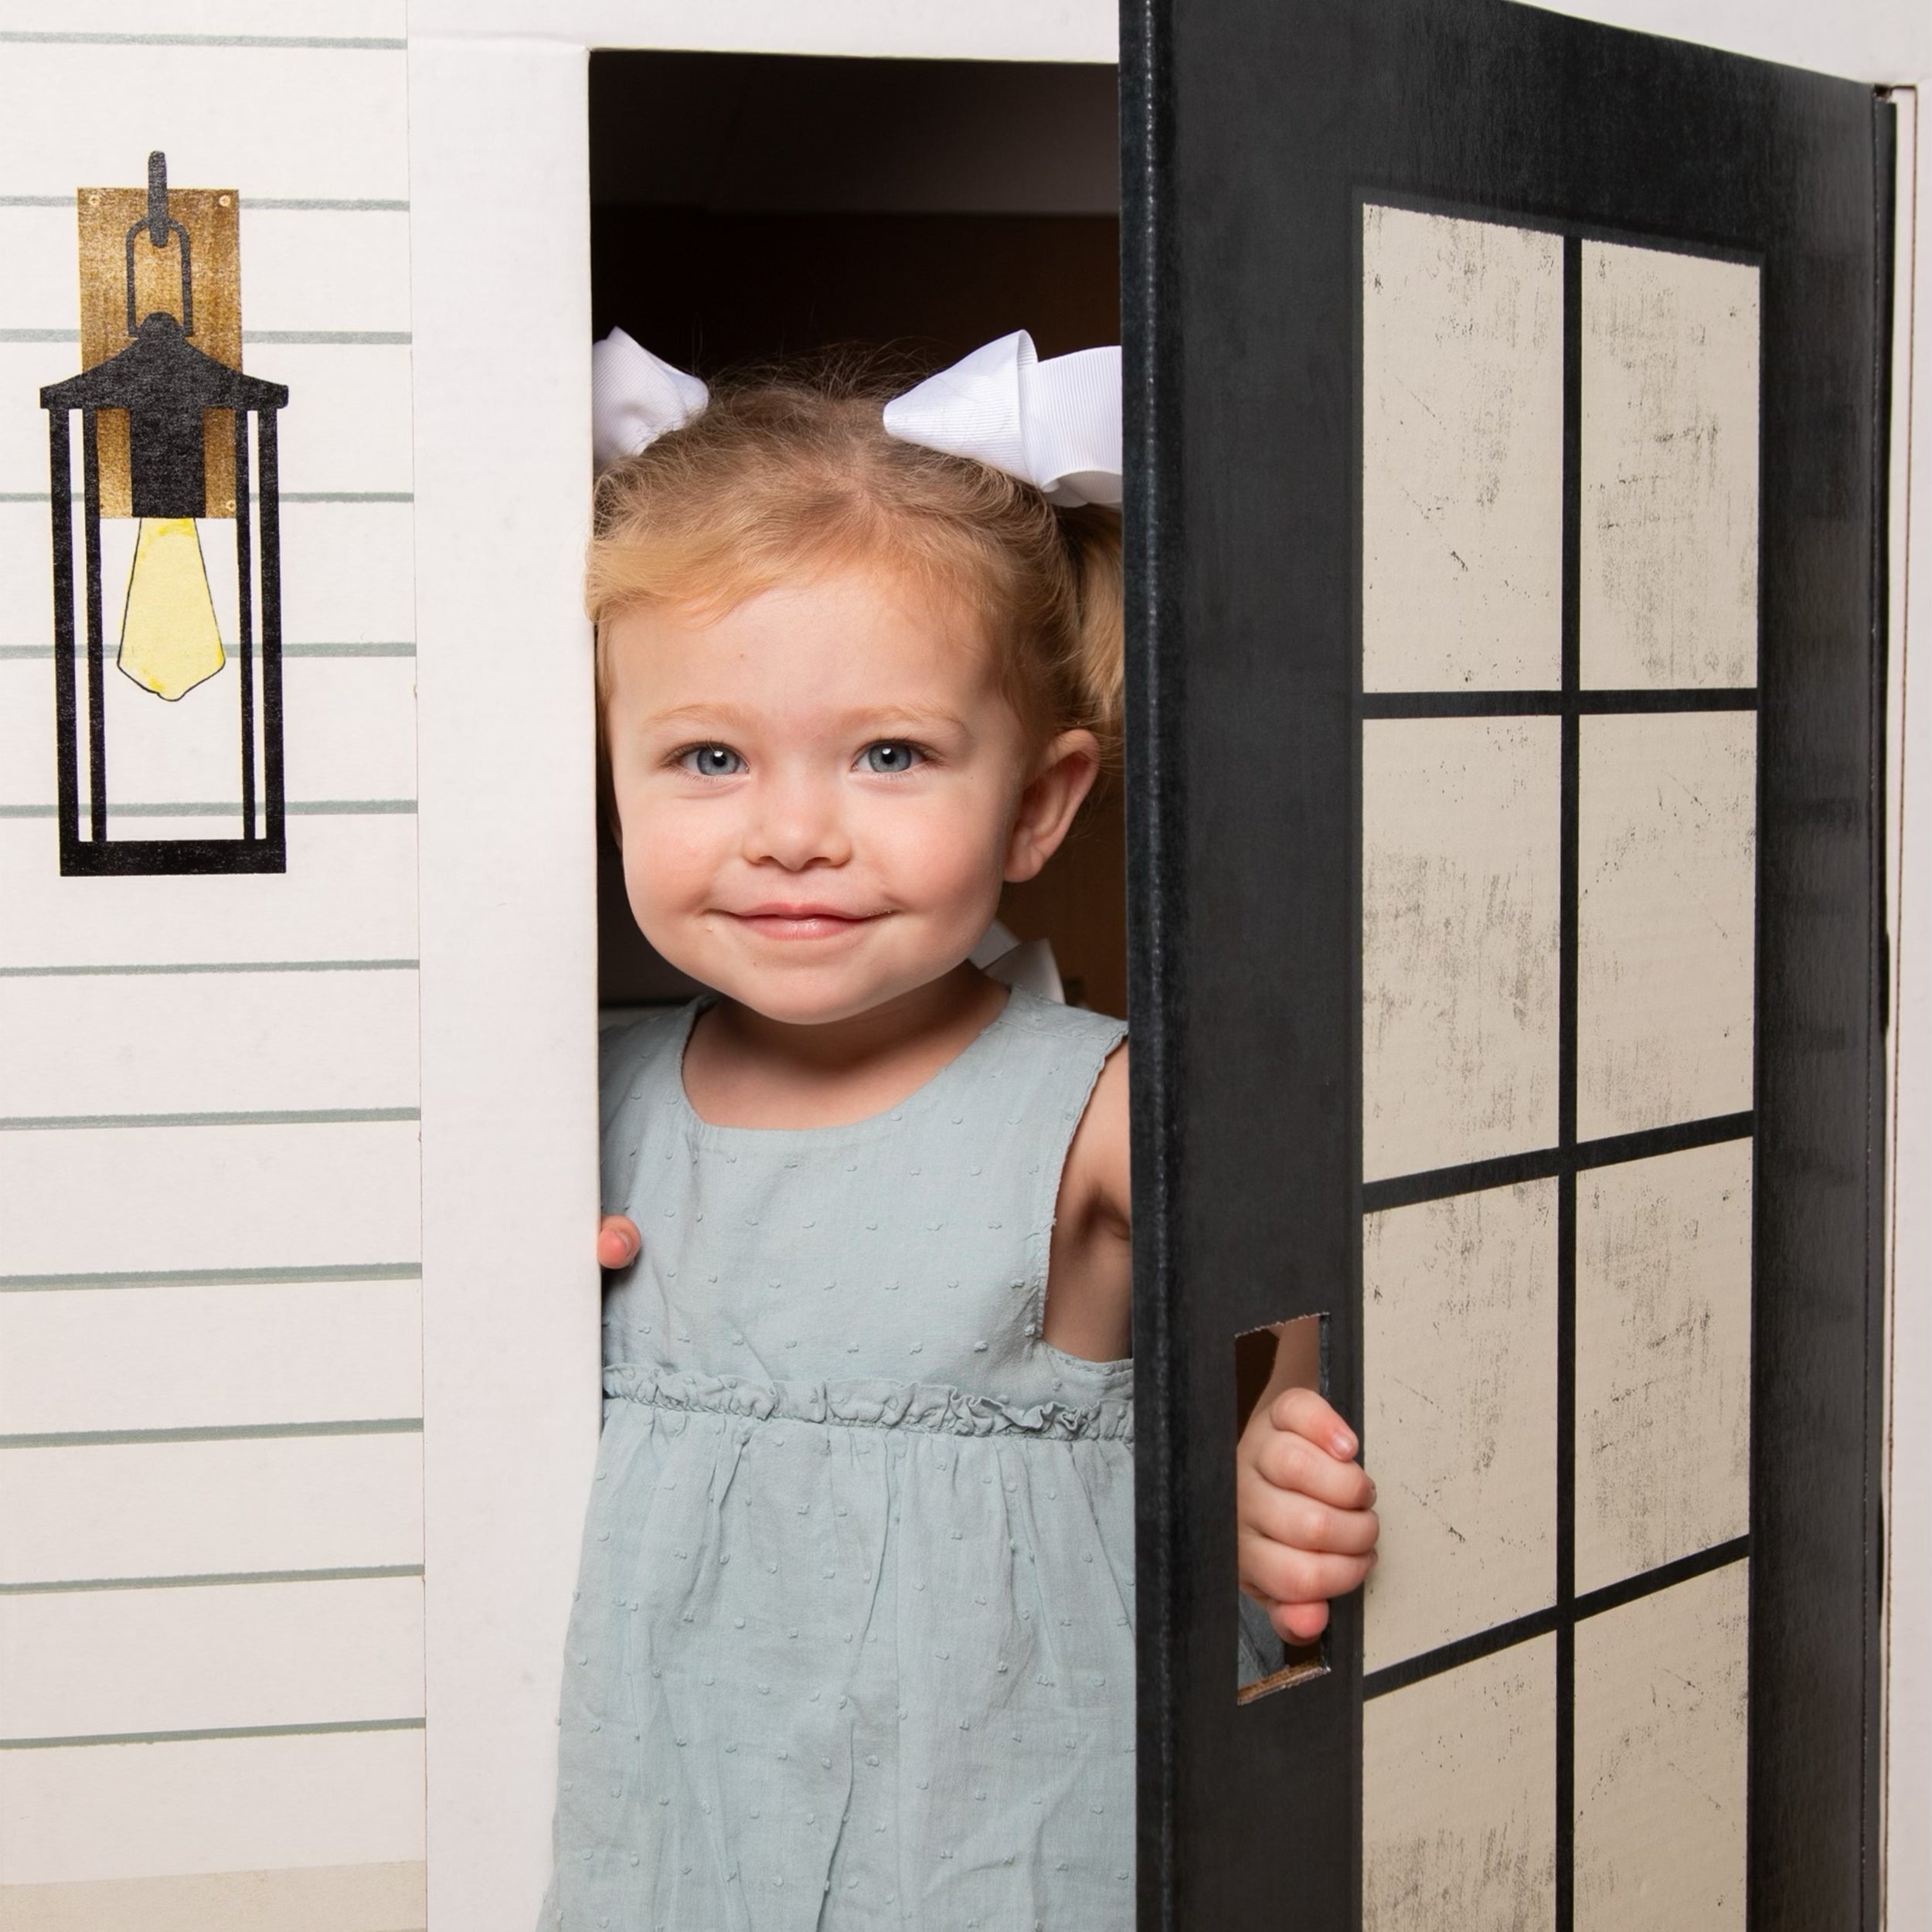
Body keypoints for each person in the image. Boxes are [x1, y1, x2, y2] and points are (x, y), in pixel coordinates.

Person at [545, 329, 1379, 1930]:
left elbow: (1336, 1239)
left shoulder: (1090, 1104)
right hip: (681, 1826)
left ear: (1037, 804)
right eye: (709, 756)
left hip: (993, 1826)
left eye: (890, 754)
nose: (794, 830)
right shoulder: (576, 1106)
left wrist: (1281, 1425)